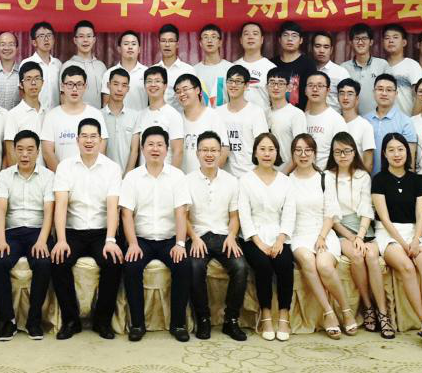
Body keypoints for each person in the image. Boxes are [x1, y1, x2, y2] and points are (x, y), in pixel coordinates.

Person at [50, 118, 124, 340]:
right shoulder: (65, 167)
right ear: (77, 140)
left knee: (113, 261)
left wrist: (111, 239)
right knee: (58, 260)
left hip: (102, 231)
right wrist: (61, 240)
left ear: (100, 140)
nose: (89, 141)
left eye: (93, 137)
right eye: (84, 136)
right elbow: (61, 205)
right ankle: (71, 321)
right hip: (73, 231)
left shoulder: (112, 168)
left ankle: (102, 321)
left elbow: (113, 207)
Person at [120, 126, 193, 341]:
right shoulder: (132, 177)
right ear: (142, 148)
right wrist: (132, 244)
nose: (155, 149)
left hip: (169, 239)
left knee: (183, 265)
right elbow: (126, 214)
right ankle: (137, 324)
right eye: (150, 144)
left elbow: (181, 212)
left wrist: (180, 243)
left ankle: (178, 324)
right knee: (131, 266)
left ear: (166, 149)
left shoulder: (177, 176)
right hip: (141, 239)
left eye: (160, 145)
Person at [372, 133, 422, 349]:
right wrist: (404, 244)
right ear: (384, 154)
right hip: (388, 233)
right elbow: (384, 218)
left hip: (413, 231)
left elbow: (421, 216)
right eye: (391, 150)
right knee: (407, 266)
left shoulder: (417, 180)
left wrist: (415, 240)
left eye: (400, 149)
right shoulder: (379, 180)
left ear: (407, 152)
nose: (397, 154)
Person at [287, 133, 356, 338]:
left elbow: (330, 213)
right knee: (308, 261)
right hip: (299, 234)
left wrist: (322, 236)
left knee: (324, 265)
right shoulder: (287, 181)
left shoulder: (324, 178)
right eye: (298, 150)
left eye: (308, 150)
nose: (303, 155)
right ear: (292, 154)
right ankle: (328, 313)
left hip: (323, 232)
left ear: (315, 153)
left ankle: (346, 310)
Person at [185, 131, 249, 341]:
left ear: (220, 152)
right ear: (197, 153)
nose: (209, 154)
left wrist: (232, 236)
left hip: (223, 235)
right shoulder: (187, 181)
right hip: (198, 235)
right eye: (204, 150)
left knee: (240, 267)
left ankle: (231, 320)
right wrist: (194, 238)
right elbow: (183, 217)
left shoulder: (231, 181)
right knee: (194, 266)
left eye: (213, 150)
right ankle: (203, 319)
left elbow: (234, 216)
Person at [0, 129, 54, 340]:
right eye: (20, 149)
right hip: (12, 232)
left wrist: (43, 241)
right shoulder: (5, 175)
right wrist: (0, 240)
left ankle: (33, 321)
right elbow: (0, 209)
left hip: (38, 230)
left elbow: (49, 211)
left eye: (30, 150)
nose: (25, 154)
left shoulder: (48, 176)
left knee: (43, 262)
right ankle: (8, 321)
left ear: (38, 151)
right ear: (14, 151)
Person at [327, 132, 390, 338]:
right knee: (355, 254)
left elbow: (366, 209)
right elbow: (332, 215)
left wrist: (361, 236)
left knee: (370, 255)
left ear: (354, 152)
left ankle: (383, 313)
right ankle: (368, 306)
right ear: (332, 154)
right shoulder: (328, 176)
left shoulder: (363, 176)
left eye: (347, 151)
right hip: (341, 230)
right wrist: (352, 238)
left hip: (364, 228)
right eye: (338, 152)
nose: (342, 155)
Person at [238, 133, 294, 341]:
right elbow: (244, 214)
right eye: (262, 149)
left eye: (271, 149)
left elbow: (289, 213)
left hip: (279, 234)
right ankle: (267, 316)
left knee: (285, 264)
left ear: (277, 153)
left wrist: (280, 240)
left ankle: (284, 316)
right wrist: (259, 243)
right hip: (253, 237)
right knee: (263, 265)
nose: (267, 153)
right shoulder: (245, 180)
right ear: (255, 152)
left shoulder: (285, 181)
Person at [41, 66, 107, 171]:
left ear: (85, 86)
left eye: (79, 84)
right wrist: (63, 176)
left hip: (90, 175)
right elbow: (47, 152)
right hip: (61, 177)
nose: (74, 89)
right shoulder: (51, 116)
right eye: (70, 84)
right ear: (62, 86)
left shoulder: (96, 114)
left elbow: (101, 149)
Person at [220, 65, 271, 177]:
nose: (233, 85)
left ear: (246, 85)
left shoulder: (256, 112)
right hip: (224, 176)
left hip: (250, 175)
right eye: (230, 81)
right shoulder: (218, 113)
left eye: (238, 81)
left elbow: (263, 145)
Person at [129, 66, 184, 168]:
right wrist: (128, 174)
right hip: (143, 174)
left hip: (165, 174)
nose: (153, 84)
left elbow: (178, 151)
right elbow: (134, 150)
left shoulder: (173, 115)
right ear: (144, 85)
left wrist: (172, 176)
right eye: (149, 81)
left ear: (165, 85)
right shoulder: (141, 115)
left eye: (157, 81)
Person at [365, 74, 417, 174]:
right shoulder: (365, 120)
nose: (384, 93)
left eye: (389, 90)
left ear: (396, 93)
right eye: (380, 89)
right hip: (366, 179)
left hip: (395, 181)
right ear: (373, 92)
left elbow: (410, 162)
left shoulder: (406, 122)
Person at [3, 61, 47, 167]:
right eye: (28, 79)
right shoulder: (13, 115)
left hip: (45, 174)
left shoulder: (48, 113)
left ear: (42, 82)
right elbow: (10, 153)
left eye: (37, 78)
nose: (33, 83)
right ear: (21, 84)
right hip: (23, 174)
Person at [301, 71, 347, 169]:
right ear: (305, 90)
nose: (315, 89)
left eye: (320, 86)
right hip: (302, 173)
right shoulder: (301, 118)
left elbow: (342, 154)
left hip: (326, 174)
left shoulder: (336, 119)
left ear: (328, 90)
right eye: (310, 85)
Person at [341, 23, 387, 116]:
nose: (360, 42)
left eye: (364, 38)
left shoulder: (382, 65)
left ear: (371, 42)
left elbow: (389, 94)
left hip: (378, 119)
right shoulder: (343, 68)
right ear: (350, 42)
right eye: (357, 39)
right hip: (351, 119)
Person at [270, 22, 316, 110]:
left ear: (301, 40)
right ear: (279, 39)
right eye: (285, 35)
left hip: (300, 114)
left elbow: (312, 94)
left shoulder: (308, 64)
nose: (290, 39)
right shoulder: (271, 64)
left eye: (294, 36)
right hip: (274, 113)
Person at [102, 67, 140, 174]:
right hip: (104, 175)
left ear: (128, 89)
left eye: (124, 85)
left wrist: (127, 177)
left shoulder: (135, 116)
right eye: (115, 84)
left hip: (127, 176)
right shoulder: (99, 115)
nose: (119, 89)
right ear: (108, 85)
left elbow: (134, 150)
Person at [381, 24, 422, 116]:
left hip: (407, 120)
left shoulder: (412, 65)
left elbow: (420, 97)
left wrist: (413, 120)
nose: (391, 41)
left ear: (404, 42)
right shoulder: (379, 65)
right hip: (383, 120)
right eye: (387, 38)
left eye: (395, 37)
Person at [101, 30, 147, 110]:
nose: (130, 47)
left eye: (133, 44)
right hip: (117, 117)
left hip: (141, 117)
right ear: (119, 49)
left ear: (139, 49)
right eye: (126, 44)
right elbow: (106, 104)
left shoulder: (147, 72)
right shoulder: (109, 73)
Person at [335, 80, 375, 171]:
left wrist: (362, 178)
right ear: (337, 97)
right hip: (335, 175)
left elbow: (368, 163)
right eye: (342, 93)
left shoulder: (365, 126)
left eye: (350, 94)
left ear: (357, 98)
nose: (345, 97)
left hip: (357, 176)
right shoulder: (333, 122)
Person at [234, 22, 275, 110]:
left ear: (262, 40)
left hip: (263, 117)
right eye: (246, 34)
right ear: (241, 40)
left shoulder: (271, 68)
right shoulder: (233, 67)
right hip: (237, 117)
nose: (250, 37)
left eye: (255, 34)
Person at [22, 21, 61, 111]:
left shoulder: (58, 64)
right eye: (41, 36)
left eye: (49, 35)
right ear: (34, 42)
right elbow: (22, 91)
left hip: (54, 113)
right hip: (34, 113)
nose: (46, 39)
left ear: (53, 40)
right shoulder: (27, 63)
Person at [66, 21, 106, 108]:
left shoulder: (101, 66)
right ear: (75, 40)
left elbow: (105, 97)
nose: (85, 40)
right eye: (81, 36)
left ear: (94, 40)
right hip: (75, 114)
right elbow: (63, 97)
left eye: (89, 36)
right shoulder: (67, 65)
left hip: (97, 114)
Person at [266, 69, 306, 153]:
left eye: (281, 83)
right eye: (272, 83)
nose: (276, 87)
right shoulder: (264, 113)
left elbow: (300, 149)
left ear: (289, 87)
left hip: (288, 161)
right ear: (266, 87)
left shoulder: (296, 114)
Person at [155, 24, 196, 109]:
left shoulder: (188, 70)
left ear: (177, 44)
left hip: (181, 116)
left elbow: (194, 100)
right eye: (163, 41)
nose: (167, 44)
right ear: (159, 44)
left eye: (171, 41)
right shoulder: (152, 70)